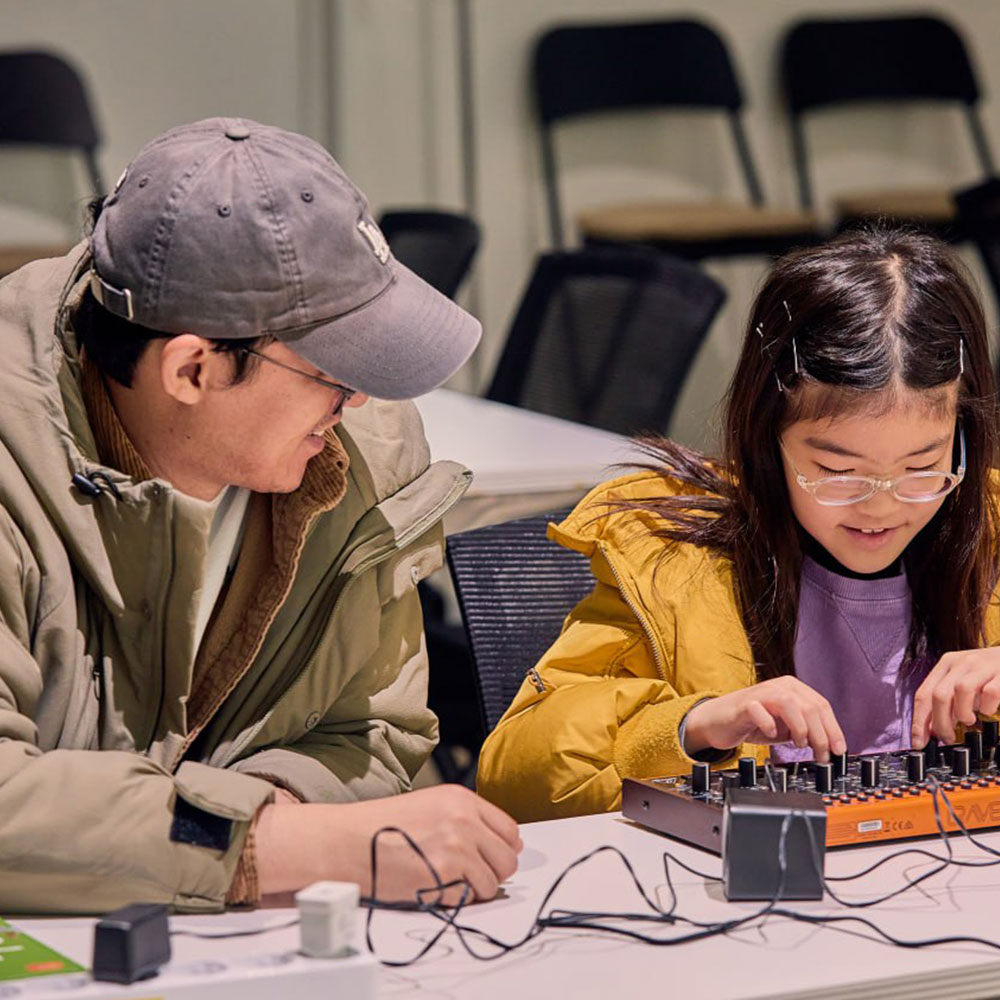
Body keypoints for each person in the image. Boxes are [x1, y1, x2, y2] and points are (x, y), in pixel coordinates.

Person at [0, 117, 520, 913]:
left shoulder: (363, 456)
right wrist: (268, 845)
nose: (359, 401)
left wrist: (262, 817)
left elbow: (372, 731)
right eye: (332, 370)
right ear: (192, 369)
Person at [477, 226, 1000, 823]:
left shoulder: (989, 531)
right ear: (765, 438)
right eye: (837, 472)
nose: (881, 507)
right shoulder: (671, 560)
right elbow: (515, 774)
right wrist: (696, 725)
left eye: (922, 467)